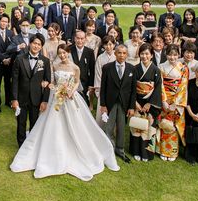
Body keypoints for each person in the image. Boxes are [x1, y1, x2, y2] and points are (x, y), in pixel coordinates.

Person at [10, 43, 120, 181]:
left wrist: (71, 91)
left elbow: (77, 82)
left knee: (75, 124)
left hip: (70, 98)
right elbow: (52, 82)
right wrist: (50, 86)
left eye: (64, 53)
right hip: (56, 98)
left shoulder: (75, 67)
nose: (62, 55)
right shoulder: (55, 66)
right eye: (60, 53)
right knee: (52, 123)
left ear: (68, 53)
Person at [11, 33, 52, 147]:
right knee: (21, 123)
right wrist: (14, 99)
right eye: (34, 43)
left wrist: (45, 100)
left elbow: (48, 82)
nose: (36, 46)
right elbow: (14, 81)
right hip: (21, 97)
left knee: (35, 123)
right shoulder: (20, 59)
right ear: (30, 43)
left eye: (39, 44)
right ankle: (21, 146)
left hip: (37, 98)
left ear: (41, 47)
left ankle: (32, 146)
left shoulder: (45, 61)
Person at [100, 44, 136, 163]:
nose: (121, 55)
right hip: (110, 103)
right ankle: (108, 149)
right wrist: (103, 105)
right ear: (115, 53)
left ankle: (120, 150)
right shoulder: (107, 68)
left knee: (121, 127)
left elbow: (133, 90)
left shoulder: (131, 69)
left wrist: (131, 107)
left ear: (127, 55)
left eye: (124, 53)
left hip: (124, 104)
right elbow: (103, 87)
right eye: (119, 52)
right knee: (108, 127)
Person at [154, 44, 189, 161]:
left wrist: (175, 103)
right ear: (166, 54)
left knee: (173, 125)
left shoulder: (183, 68)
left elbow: (183, 86)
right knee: (163, 124)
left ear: (178, 55)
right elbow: (160, 85)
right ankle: (162, 150)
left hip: (177, 101)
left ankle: (172, 152)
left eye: (175, 55)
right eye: (170, 55)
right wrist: (164, 101)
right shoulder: (161, 67)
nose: (172, 57)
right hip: (164, 99)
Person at [129, 44, 162, 162]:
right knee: (136, 127)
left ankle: (147, 153)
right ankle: (136, 151)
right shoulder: (135, 69)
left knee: (148, 128)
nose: (144, 56)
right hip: (137, 101)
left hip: (150, 103)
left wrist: (150, 103)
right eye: (142, 54)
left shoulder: (156, 70)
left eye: (147, 54)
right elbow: (131, 88)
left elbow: (158, 88)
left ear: (152, 55)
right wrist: (135, 103)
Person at [93, 36, 117, 121]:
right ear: (103, 46)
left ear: (114, 45)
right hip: (103, 87)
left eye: (110, 44)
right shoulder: (100, 58)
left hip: (115, 87)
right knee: (102, 112)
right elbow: (98, 74)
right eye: (106, 44)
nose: (108, 47)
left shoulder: (117, 56)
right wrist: (98, 89)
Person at [70, 30, 96, 105]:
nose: (80, 41)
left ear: (85, 39)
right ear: (74, 38)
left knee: (84, 103)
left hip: (85, 82)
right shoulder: (69, 50)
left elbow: (92, 69)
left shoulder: (90, 52)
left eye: (82, 38)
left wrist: (91, 84)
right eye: (78, 38)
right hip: (71, 82)